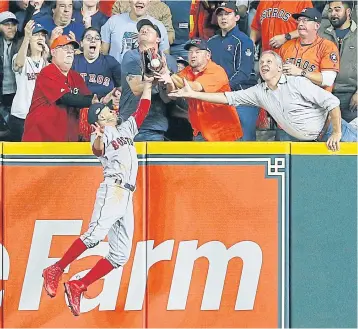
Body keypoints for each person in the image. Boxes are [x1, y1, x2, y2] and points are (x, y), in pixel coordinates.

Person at [41, 75, 154, 317]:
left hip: (126, 196)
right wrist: (100, 134)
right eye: (103, 114)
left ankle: (78, 285)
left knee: (121, 255)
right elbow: (97, 148)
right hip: (112, 189)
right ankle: (56, 268)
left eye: (108, 112)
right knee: (94, 236)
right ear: (98, 121)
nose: (109, 114)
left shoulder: (125, 129)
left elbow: (143, 110)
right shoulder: (100, 133)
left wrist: (149, 86)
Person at [168, 50, 357, 151]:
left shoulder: (297, 83)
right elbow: (228, 98)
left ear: (280, 67)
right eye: (262, 62)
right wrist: (193, 94)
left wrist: (337, 133)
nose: (264, 65)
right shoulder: (259, 92)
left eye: (269, 62)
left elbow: (332, 102)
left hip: (333, 130)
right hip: (310, 142)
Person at [22, 35, 117, 142]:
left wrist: (103, 100)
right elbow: (65, 98)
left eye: (72, 50)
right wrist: (92, 101)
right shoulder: (47, 72)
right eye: (65, 48)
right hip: (40, 139)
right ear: (53, 52)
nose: (69, 52)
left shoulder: (76, 77)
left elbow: (87, 98)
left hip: (66, 140)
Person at [160, 38, 243, 141]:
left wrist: (169, 74)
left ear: (208, 56)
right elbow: (171, 93)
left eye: (197, 52)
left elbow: (194, 87)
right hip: (200, 131)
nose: (193, 55)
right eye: (190, 52)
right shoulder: (187, 71)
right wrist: (165, 78)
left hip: (223, 132)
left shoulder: (216, 71)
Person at [208, 1, 258, 140]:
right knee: (220, 143)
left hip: (242, 97)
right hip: (219, 98)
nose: (223, 18)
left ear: (236, 17)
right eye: (220, 15)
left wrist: (221, 89)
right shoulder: (211, 42)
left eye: (228, 14)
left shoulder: (244, 41)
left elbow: (244, 73)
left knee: (244, 143)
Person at [120, 19, 177, 141]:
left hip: (155, 124)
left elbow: (168, 98)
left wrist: (166, 80)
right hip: (130, 121)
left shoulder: (169, 61)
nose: (144, 30)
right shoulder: (131, 56)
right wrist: (156, 78)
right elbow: (136, 89)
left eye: (149, 30)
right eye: (141, 30)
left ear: (158, 39)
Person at [72, 27, 121, 141]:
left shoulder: (110, 61)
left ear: (100, 44)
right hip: (77, 115)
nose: (93, 41)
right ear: (81, 43)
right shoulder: (73, 61)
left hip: (105, 116)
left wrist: (116, 96)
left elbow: (121, 87)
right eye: (89, 38)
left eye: (97, 38)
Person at [279, 7, 340, 92]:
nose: (300, 23)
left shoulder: (328, 46)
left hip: (315, 102)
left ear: (317, 25)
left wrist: (301, 72)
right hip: (288, 98)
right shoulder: (286, 46)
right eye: (299, 20)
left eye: (305, 20)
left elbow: (328, 80)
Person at [10, 21, 49, 141]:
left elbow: (48, 85)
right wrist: (26, 37)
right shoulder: (21, 57)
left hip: (41, 117)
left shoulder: (47, 64)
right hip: (21, 116)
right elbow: (18, 64)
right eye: (36, 35)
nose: (40, 38)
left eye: (42, 35)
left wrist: (46, 58)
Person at [319, 1, 357, 123]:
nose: (333, 13)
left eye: (337, 10)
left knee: (352, 138)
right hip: (324, 94)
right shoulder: (321, 34)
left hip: (351, 96)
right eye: (330, 10)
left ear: (348, 12)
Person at [101, 0, 169, 64]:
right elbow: (103, 54)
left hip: (146, 74)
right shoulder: (113, 21)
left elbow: (165, 58)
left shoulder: (159, 27)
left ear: (149, 1)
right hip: (116, 74)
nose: (140, 1)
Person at [0, 12, 23, 139]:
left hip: (16, 93)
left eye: (13, 24)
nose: (10, 27)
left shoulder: (21, 42)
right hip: (2, 93)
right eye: (6, 24)